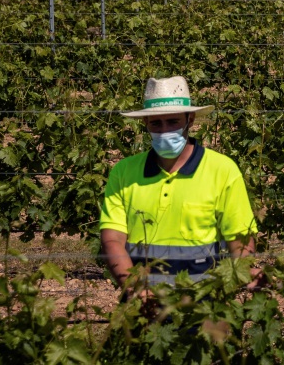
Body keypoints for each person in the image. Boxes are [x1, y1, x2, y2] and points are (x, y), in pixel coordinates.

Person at [99, 76, 261, 303]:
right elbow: (112, 239)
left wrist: (246, 271)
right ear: (145, 124)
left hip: (204, 305)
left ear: (190, 119)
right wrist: (136, 288)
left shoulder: (222, 170)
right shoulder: (124, 172)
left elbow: (239, 237)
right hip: (143, 305)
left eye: (173, 122)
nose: (164, 131)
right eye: (156, 123)